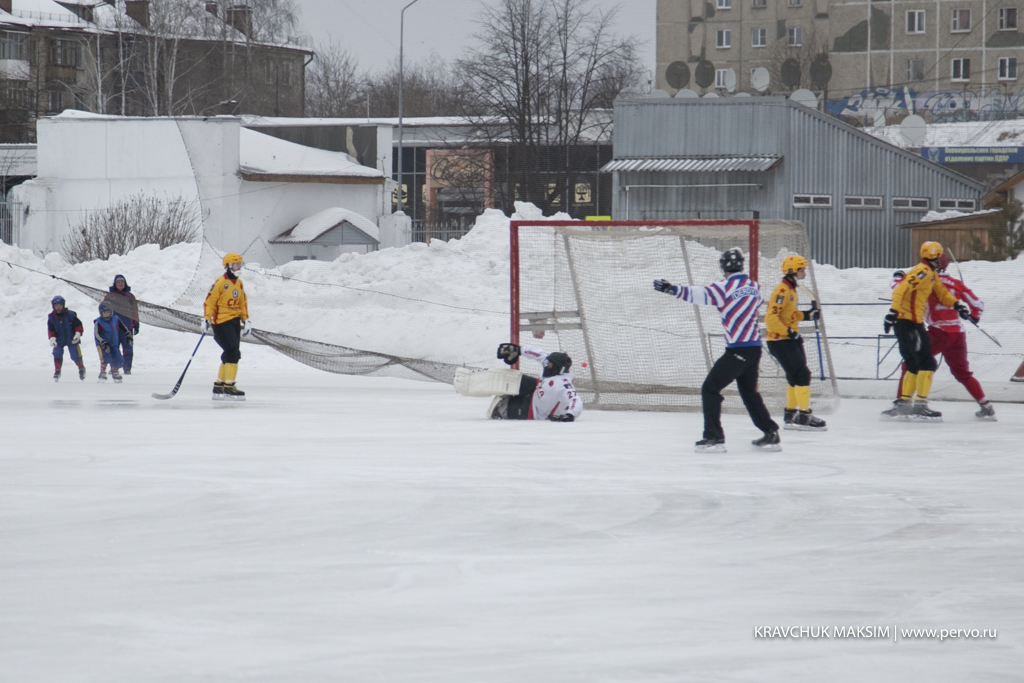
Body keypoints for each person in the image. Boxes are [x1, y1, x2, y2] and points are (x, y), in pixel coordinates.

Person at [654, 247, 781, 453]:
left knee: (710, 388)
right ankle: (770, 432)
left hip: (738, 349)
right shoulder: (754, 286)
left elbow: (699, 294)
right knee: (749, 393)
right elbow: (753, 302)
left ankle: (714, 437)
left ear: (723, 267)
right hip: (754, 348)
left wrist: (671, 289)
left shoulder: (723, 287)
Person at [886, 254, 995, 420]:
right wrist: (974, 317)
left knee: (912, 363)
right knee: (963, 373)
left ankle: (902, 404)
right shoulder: (957, 283)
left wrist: (898, 275)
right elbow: (978, 304)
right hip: (958, 334)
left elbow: (898, 286)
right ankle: (985, 405)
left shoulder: (928, 278)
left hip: (938, 332)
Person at [764, 255, 827, 431]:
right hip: (780, 341)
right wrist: (788, 331)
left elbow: (789, 314)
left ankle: (791, 414)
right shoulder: (782, 291)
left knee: (794, 376)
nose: (804, 273)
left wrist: (807, 315)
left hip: (789, 339)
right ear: (793, 271)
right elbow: (771, 318)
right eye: (802, 270)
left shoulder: (791, 290)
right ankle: (804, 416)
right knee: (802, 374)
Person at [469, 343, 583, 421]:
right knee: (514, 378)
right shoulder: (551, 365)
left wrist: (570, 415)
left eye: (549, 364)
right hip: (536, 390)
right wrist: (518, 350)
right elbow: (539, 354)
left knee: (501, 409)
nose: (545, 364)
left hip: (534, 411)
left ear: (556, 368)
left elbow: (575, 399)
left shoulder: (562, 384)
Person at [202, 253, 252, 400]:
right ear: (228, 266)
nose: (239, 267)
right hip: (222, 322)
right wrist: (206, 318)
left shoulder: (239, 283)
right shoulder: (220, 283)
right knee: (233, 352)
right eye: (236, 264)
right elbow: (210, 302)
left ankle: (220, 385)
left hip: (234, 322)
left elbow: (242, 303)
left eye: (240, 264)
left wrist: (246, 320)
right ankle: (229, 386)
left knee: (229, 353)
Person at [102, 274, 140, 375]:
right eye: (118, 282)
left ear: (125, 283)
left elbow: (135, 310)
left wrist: (136, 323)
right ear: (115, 284)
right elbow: (103, 310)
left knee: (128, 348)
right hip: (113, 327)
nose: (120, 284)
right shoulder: (109, 296)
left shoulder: (130, 296)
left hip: (127, 326)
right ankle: (114, 367)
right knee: (114, 348)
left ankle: (127, 368)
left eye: (122, 282)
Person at [47, 295, 87, 382]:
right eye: (56, 305)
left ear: (63, 305)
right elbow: (51, 330)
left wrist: (78, 334)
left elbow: (78, 326)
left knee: (75, 355)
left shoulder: (70, 315)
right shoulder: (51, 318)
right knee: (57, 353)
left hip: (71, 338)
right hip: (59, 339)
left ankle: (81, 368)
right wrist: (52, 338)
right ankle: (57, 370)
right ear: (53, 306)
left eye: (60, 305)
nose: (58, 307)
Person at [94, 301, 124, 382]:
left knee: (118, 357)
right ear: (101, 313)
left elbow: (123, 328)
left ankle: (115, 371)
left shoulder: (115, 319)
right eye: (104, 313)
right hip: (102, 345)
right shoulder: (98, 322)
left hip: (113, 344)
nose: (107, 314)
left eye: (108, 312)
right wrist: (103, 342)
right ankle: (102, 372)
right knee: (105, 358)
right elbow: (96, 334)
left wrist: (128, 335)